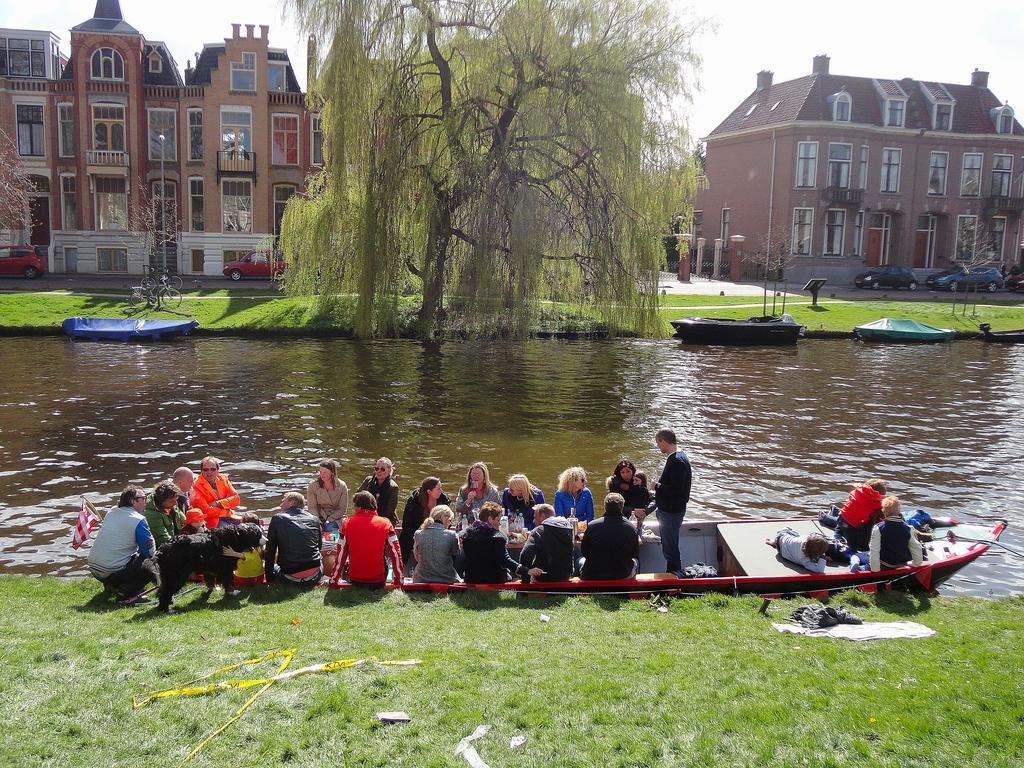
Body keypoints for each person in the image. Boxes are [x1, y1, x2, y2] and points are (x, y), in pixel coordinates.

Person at [87, 485, 159, 602]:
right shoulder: (138, 519)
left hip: (94, 569)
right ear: (133, 501)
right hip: (111, 570)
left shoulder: (112, 512)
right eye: (143, 498)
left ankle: (113, 585)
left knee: (132, 556)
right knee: (151, 562)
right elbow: (149, 551)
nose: (146, 501)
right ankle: (127, 591)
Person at [329, 491, 403, 587]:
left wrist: (333, 580)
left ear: (359, 507)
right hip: (378, 579)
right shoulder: (386, 523)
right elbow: (396, 553)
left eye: (354, 506)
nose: (353, 509)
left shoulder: (347, 523)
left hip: (355, 579)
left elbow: (341, 553)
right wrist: (399, 580)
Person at [652, 428, 692, 574]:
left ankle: (674, 579)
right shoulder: (678, 457)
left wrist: (657, 486)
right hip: (670, 510)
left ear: (663, 441)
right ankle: (672, 576)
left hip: (671, 512)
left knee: (670, 549)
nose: (658, 446)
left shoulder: (677, 461)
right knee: (669, 547)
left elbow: (676, 490)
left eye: (658, 443)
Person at [264, 492, 323, 586]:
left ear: (292, 502)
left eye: (283, 500)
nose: (280, 504)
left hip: (290, 577)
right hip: (314, 575)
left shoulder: (278, 518)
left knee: (274, 565)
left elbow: (270, 551)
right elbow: (319, 547)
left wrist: (269, 579)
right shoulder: (314, 519)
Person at [579, 494, 640, 580]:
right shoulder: (631, 527)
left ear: (605, 507)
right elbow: (635, 553)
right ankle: (631, 590)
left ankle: (582, 589)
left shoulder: (592, 525)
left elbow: (584, 551)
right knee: (636, 562)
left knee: (580, 560)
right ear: (622, 508)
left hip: (593, 573)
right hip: (621, 574)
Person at [461, 501, 520, 584]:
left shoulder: (466, 535)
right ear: (490, 519)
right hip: (494, 579)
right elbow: (505, 560)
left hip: (471, 578)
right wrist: (524, 570)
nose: (499, 524)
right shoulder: (498, 538)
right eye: (498, 520)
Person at [516, 503, 574, 583]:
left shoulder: (539, 530)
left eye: (535, 517)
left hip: (545, 576)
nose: (533, 521)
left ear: (543, 516)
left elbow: (525, 555)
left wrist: (525, 578)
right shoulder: (568, 529)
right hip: (565, 576)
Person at [399, 477, 450, 567]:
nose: (441, 491)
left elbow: (447, 524)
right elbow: (406, 527)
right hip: (415, 537)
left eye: (441, 488)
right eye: (438, 489)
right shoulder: (413, 503)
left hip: (437, 537)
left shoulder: (443, 501)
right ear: (429, 491)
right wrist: (421, 534)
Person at [870, 496, 924, 571]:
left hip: (883, 564)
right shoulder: (908, 528)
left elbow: (874, 550)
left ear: (883, 511)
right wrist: (916, 563)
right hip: (898, 563)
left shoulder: (878, 528)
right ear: (898, 512)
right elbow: (916, 547)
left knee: (860, 556)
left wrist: (875, 569)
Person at [190, 456, 242, 529]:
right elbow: (206, 511)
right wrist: (226, 509)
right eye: (206, 470)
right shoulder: (196, 485)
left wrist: (217, 503)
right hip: (211, 521)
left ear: (218, 470)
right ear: (201, 471)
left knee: (252, 524)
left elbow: (236, 499)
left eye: (213, 469)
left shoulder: (223, 479)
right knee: (230, 533)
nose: (209, 472)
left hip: (229, 516)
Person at [412, 505, 460, 584]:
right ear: (444, 517)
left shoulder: (418, 534)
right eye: (450, 520)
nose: (450, 523)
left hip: (421, 579)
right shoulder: (452, 535)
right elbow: (456, 553)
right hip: (447, 579)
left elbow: (417, 557)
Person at [837, 479, 887, 553]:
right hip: (850, 526)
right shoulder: (875, 504)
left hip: (842, 516)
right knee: (855, 548)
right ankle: (837, 533)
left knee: (844, 522)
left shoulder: (857, 491)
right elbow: (883, 515)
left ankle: (835, 524)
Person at [307, 458, 349, 534]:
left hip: (335, 517)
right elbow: (312, 507)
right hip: (318, 515)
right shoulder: (313, 485)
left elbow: (342, 509)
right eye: (320, 472)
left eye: (325, 472)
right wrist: (317, 522)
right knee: (315, 530)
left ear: (332, 473)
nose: (322, 475)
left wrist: (330, 519)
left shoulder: (342, 486)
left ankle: (334, 544)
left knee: (330, 528)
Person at [606, 459, 653, 524]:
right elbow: (612, 506)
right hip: (619, 519)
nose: (626, 475)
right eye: (622, 472)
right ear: (619, 473)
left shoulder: (638, 481)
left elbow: (653, 499)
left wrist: (646, 511)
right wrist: (633, 511)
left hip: (637, 519)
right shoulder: (614, 484)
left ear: (633, 471)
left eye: (628, 471)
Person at [765, 528, 830, 574]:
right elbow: (819, 570)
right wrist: (822, 557)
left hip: (782, 539)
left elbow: (812, 549)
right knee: (790, 532)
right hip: (781, 545)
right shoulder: (804, 560)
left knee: (795, 535)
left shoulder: (806, 539)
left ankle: (775, 541)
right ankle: (776, 539)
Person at [357, 457, 400, 526]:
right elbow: (357, 497)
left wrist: (375, 521)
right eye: (377, 468)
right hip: (367, 515)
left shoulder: (393, 487)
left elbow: (389, 511)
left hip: (385, 519)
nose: (378, 471)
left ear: (389, 471)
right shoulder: (368, 481)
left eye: (382, 469)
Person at [143, 480, 185, 548]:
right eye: (171, 501)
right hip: (163, 549)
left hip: (176, 541)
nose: (176, 503)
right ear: (161, 501)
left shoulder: (172, 506)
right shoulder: (152, 514)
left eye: (176, 499)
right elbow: (163, 539)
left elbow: (187, 521)